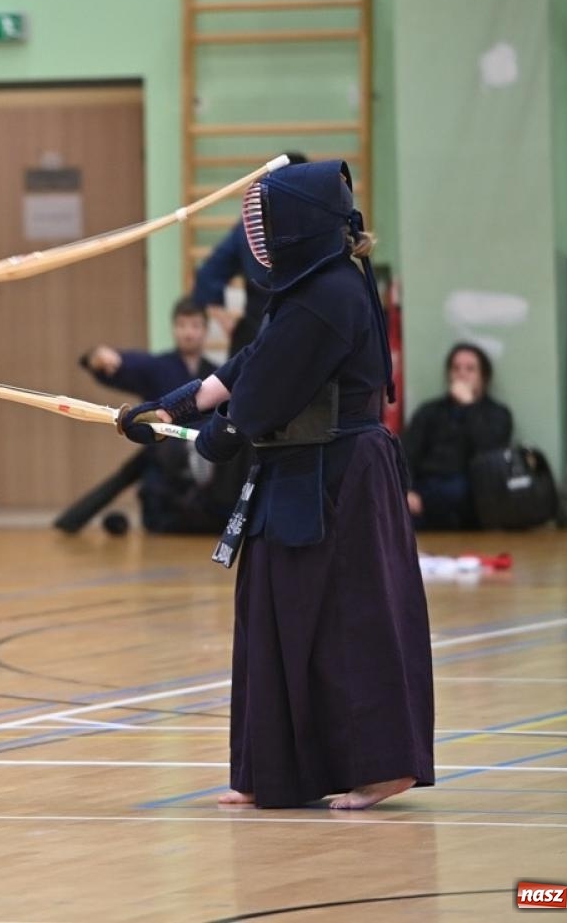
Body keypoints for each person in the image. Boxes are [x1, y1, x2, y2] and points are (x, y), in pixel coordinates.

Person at [121, 160, 433, 810]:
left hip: (341, 476)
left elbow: (262, 398)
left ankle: (382, 765)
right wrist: (171, 407)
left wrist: (218, 436)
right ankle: (275, 770)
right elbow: (250, 363)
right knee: (273, 609)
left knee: (350, 620)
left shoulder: (331, 296)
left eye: (270, 222)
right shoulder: (311, 288)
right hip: (302, 470)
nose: (259, 236)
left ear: (301, 225)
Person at [79, 298, 240, 532]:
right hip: (167, 480)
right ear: (174, 329)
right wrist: (98, 357)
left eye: (195, 326)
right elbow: (122, 364)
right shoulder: (157, 367)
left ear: (205, 331)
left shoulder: (217, 374)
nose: (188, 333)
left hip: (208, 477)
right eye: (183, 326)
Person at [191, 152, 309, 354]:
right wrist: (228, 322)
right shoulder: (314, 224)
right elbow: (207, 277)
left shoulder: (249, 226)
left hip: (259, 334)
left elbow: (207, 277)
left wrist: (228, 321)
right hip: (299, 331)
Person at [401, 343, 513, 530]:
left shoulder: (498, 414)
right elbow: (407, 452)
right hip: (426, 487)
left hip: (469, 492)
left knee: (458, 490)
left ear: (483, 377)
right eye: (456, 368)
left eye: (470, 369)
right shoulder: (429, 411)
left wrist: (469, 406)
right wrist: (407, 489)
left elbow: (489, 451)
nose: (462, 374)